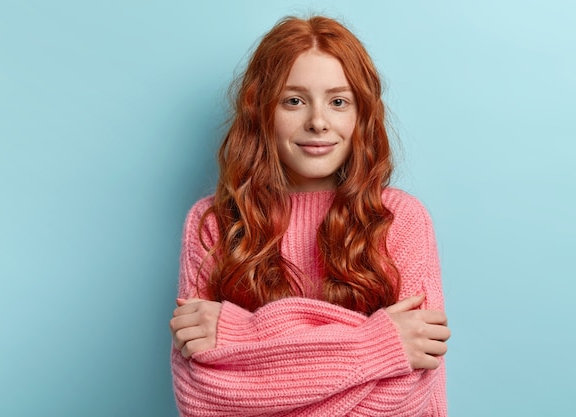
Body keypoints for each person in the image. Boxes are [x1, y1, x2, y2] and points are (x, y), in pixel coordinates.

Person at [169, 15, 450, 417]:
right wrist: (381, 345)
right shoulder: (214, 223)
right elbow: (202, 399)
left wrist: (239, 336)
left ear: (360, 114)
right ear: (261, 110)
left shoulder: (399, 219)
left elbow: (404, 400)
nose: (318, 121)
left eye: (338, 101)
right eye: (294, 100)